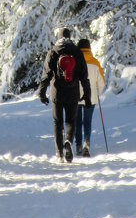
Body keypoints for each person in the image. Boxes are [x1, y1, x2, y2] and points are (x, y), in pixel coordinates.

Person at [38, 27, 91, 162]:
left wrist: (42, 92)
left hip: (57, 93)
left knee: (57, 122)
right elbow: (84, 77)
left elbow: (46, 75)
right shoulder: (77, 52)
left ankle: (59, 154)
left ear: (59, 37)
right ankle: (68, 141)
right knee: (71, 121)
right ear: (69, 37)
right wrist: (87, 95)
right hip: (73, 92)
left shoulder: (53, 52)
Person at [75, 38, 105, 157]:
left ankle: (78, 146)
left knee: (77, 122)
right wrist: (98, 93)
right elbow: (101, 82)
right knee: (87, 122)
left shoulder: (75, 61)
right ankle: (86, 144)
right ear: (89, 48)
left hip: (76, 96)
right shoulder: (95, 62)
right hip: (91, 97)